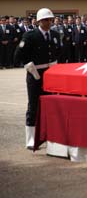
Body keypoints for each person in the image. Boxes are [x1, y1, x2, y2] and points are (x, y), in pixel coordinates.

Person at [14, 8, 62, 149]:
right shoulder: (30, 35)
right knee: (34, 105)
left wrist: (55, 62)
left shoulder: (54, 34)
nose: (49, 22)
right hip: (35, 74)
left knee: (50, 104)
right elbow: (18, 54)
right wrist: (28, 65)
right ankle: (31, 139)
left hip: (50, 73)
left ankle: (48, 135)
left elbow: (59, 50)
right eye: (46, 20)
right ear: (39, 21)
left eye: (50, 20)